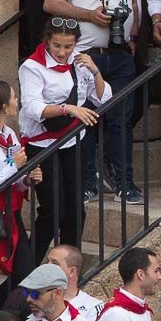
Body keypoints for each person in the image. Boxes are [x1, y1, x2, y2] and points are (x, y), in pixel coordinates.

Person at [41, 0, 144, 204]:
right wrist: (89, 15)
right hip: (87, 54)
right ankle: (87, 182)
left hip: (120, 53)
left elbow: (130, 0)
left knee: (122, 120)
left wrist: (132, 34)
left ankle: (124, 182)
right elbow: (52, 2)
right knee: (86, 121)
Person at [18, 19, 110, 257]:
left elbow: (103, 98)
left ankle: (70, 267)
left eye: (68, 46)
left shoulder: (80, 61)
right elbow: (32, 108)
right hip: (42, 145)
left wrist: (95, 70)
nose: (62, 52)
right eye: (56, 45)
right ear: (47, 41)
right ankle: (27, 269)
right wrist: (68, 109)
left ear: (75, 44)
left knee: (75, 211)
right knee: (52, 211)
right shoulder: (32, 67)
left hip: (71, 142)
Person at [0, 82, 41, 295]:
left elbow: (15, 178)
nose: (17, 101)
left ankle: (1, 313)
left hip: (11, 212)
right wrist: (15, 166)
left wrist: (28, 179)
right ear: (5, 106)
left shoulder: (10, 134)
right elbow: (5, 174)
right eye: (14, 97)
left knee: (24, 271)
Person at [96, 248, 161, 321]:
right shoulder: (115, 314)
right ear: (141, 274)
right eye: (156, 271)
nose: (160, 277)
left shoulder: (142, 309)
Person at [40, 246, 99, 321]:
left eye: (55, 263)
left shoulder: (92, 307)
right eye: (47, 261)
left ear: (72, 271)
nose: (47, 266)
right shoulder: (36, 299)